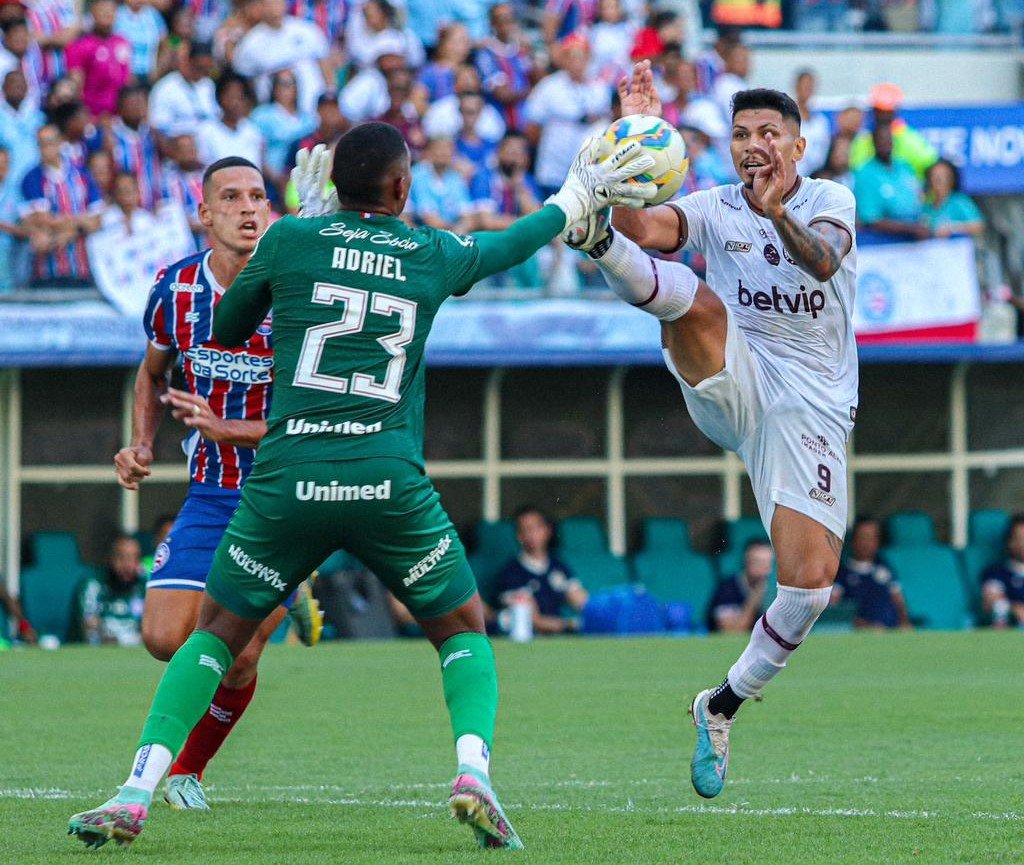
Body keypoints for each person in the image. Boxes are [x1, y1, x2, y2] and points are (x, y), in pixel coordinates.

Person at [67, 121, 655, 850]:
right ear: (404, 189)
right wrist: (574, 197)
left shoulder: (289, 241)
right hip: (386, 479)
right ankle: (473, 773)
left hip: (287, 479)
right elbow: (509, 245)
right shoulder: (428, 250)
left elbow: (221, 325)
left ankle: (134, 790)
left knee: (214, 634)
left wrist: (300, 237)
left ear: (327, 187)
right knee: (462, 627)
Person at [566, 63, 858, 801]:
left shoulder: (830, 200)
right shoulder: (715, 204)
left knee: (809, 587)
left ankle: (719, 705)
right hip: (733, 375)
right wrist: (633, 137)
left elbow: (821, 259)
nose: (752, 144)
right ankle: (590, 241)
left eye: (768, 134)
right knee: (695, 304)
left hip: (812, 408)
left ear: (797, 146)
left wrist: (776, 214)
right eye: (740, 134)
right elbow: (650, 226)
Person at [105, 156, 318, 814]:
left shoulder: (296, 293)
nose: (248, 207)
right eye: (231, 197)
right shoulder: (176, 289)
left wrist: (230, 427)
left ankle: (187, 768)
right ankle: (291, 593)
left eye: (258, 195)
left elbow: (308, 417)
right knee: (164, 638)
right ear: (204, 213)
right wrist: (142, 443)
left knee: (242, 653)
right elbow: (150, 373)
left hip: (283, 494)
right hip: (210, 490)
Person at [19, 122, 103, 287]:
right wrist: (80, 224)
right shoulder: (32, 178)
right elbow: (42, 221)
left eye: (49, 142)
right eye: (40, 144)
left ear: (61, 142)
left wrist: (71, 231)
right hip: (47, 272)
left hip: (82, 269)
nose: (44, 149)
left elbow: (97, 221)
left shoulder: (82, 174)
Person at [495, 506, 589, 635]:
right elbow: (534, 620)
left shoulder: (558, 566)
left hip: (559, 639)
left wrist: (594, 615)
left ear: (547, 530)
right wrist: (569, 624)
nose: (531, 534)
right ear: (519, 536)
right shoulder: (511, 572)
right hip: (529, 640)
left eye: (536, 527)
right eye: (525, 529)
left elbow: (581, 601)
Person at [832, 517, 911, 630]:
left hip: (891, 634)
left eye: (872, 538)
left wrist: (905, 623)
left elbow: (898, 600)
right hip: (860, 635)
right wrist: (866, 626)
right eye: (863, 537)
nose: (867, 543)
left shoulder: (885, 566)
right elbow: (835, 611)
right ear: (853, 539)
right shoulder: (842, 572)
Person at [853, 122, 927, 241]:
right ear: (873, 143)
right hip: (884, 244)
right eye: (881, 139)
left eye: (889, 139)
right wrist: (911, 229)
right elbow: (871, 219)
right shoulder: (864, 174)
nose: (886, 143)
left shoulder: (904, 166)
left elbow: (919, 197)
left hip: (917, 242)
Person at [849, 82, 936, 180]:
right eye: (879, 111)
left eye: (887, 112)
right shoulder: (863, 141)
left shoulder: (910, 139)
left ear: (895, 111)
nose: (883, 115)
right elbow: (856, 170)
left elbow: (930, 164)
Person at [64, 0, 131, 118]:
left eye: (110, 10)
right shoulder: (79, 46)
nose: (107, 14)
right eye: (102, 10)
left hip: (118, 117)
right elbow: (76, 85)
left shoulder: (122, 42)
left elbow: (126, 79)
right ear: (93, 12)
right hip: (92, 115)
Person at [77, 534, 147, 646]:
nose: (128, 565)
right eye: (122, 558)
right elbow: (89, 629)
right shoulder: (93, 584)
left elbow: (152, 631)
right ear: (110, 559)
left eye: (135, 558)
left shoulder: (144, 586)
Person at [707, 540, 772, 633]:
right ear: (746, 561)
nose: (765, 568)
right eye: (758, 562)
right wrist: (754, 599)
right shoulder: (728, 588)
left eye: (768, 563)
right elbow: (731, 632)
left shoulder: (777, 589)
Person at [921, 158, 984, 239]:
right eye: (934, 176)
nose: (939, 180)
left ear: (952, 178)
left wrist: (953, 229)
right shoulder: (926, 205)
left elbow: (978, 226)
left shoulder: (959, 201)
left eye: (943, 176)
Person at [981, 514, 1024, 629]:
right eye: (1020, 538)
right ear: (1010, 542)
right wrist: (1014, 609)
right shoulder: (996, 573)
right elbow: (990, 603)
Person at [793, 69, 830, 177]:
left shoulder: (821, 122)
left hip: (814, 177)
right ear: (796, 87)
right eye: (804, 86)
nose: (807, 90)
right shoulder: (787, 119)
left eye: (810, 87)